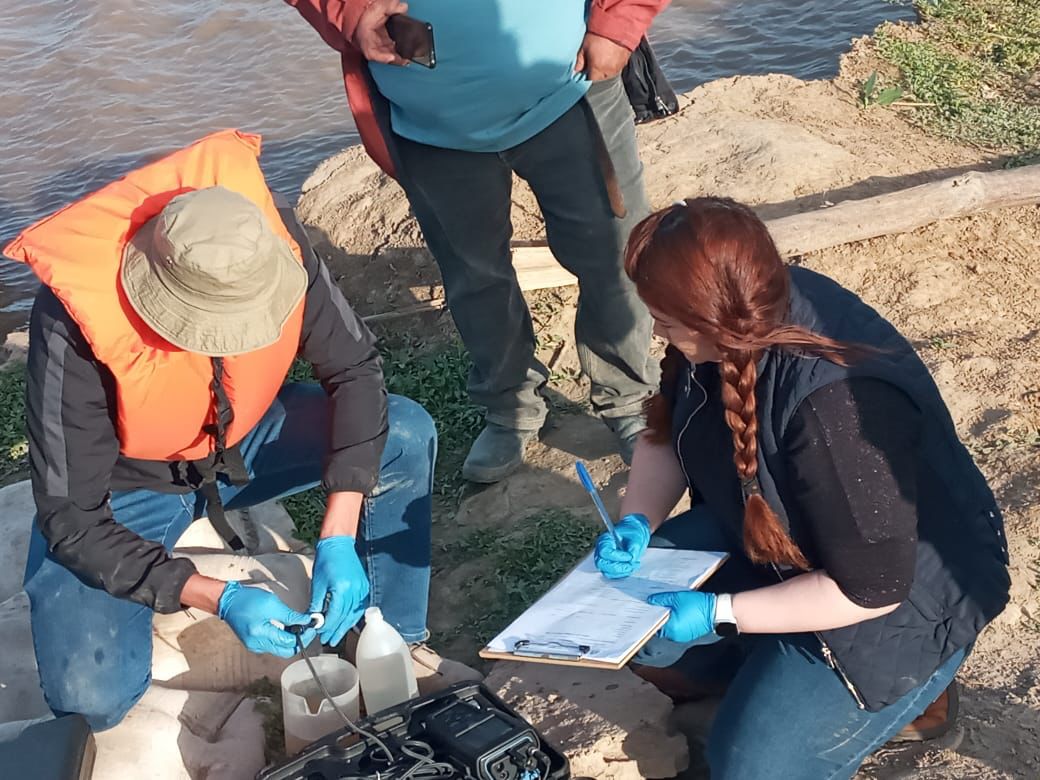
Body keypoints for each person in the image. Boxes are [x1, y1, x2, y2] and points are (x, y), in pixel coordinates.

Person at [5, 131, 476, 731]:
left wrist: (336, 534)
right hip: (131, 483)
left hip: (241, 439)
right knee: (92, 697)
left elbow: (355, 370)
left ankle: (394, 638)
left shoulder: (266, 239)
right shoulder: (73, 322)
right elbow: (72, 518)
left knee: (404, 432)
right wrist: (214, 595)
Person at [593, 197, 1010, 778]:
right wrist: (638, 519)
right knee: (621, 615)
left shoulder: (838, 412)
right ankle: (758, 668)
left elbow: (874, 589)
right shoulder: (736, 313)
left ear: (712, 316)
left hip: (893, 602)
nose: (656, 330)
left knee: (750, 767)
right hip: (780, 537)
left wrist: (721, 611)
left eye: (665, 321)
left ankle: (913, 694)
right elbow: (668, 430)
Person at [286, 0, 669, 482]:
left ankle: (630, 397)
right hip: (430, 126)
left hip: (570, 89)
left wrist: (620, 21)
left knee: (616, 256)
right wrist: (349, 11)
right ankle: (509, 406)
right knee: (474, 274)